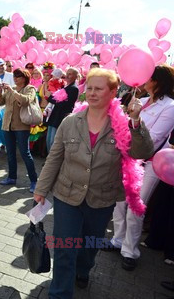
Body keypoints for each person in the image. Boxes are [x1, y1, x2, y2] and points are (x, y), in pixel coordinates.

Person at [33, 68, 154, 298]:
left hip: (102, 198)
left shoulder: (124, 125)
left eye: (99, 89)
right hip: (67, 195)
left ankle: (83, 268)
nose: (92, 93)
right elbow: (54, 158)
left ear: (113, 92)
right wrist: (41, 190)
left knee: (89, 245)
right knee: (64, 247)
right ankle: (59, 293)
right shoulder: (70, 122)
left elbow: (143, 152)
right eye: (89, 88)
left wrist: (136, 121)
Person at [110, 65, 174, 271]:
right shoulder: (142, 101)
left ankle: (130, 251)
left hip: (149, 163)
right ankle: (117, 240)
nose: (143, 79)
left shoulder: (171, 107)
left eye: (148, 77)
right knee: (119, 203)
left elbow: (153, 140)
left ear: (157, 80)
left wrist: (134, 122)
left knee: (135, 207)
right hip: (127, 158)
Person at [0, 68, 38, 192]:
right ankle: (12, 177)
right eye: (14, 76)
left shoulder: (30, 89)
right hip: (8, 125)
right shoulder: (11, 89)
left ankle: (34, 180)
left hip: (22, 126)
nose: (15, 78)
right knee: (11, 153)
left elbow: (25, 101)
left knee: (25, 153)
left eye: (18, 76)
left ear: (25, 78)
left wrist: (11, 90)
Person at [44, 68, 79, 153]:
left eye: (70, 74)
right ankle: (49, 160)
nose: (67, 75)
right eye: (67, 73)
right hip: (54, 115)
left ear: (75, 77)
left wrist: (50, 98)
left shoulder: (74, 88)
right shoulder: (64, 86)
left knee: (54, 141)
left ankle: (53, 162)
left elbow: (65, 104)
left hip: (60, 117)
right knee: (48, 140)